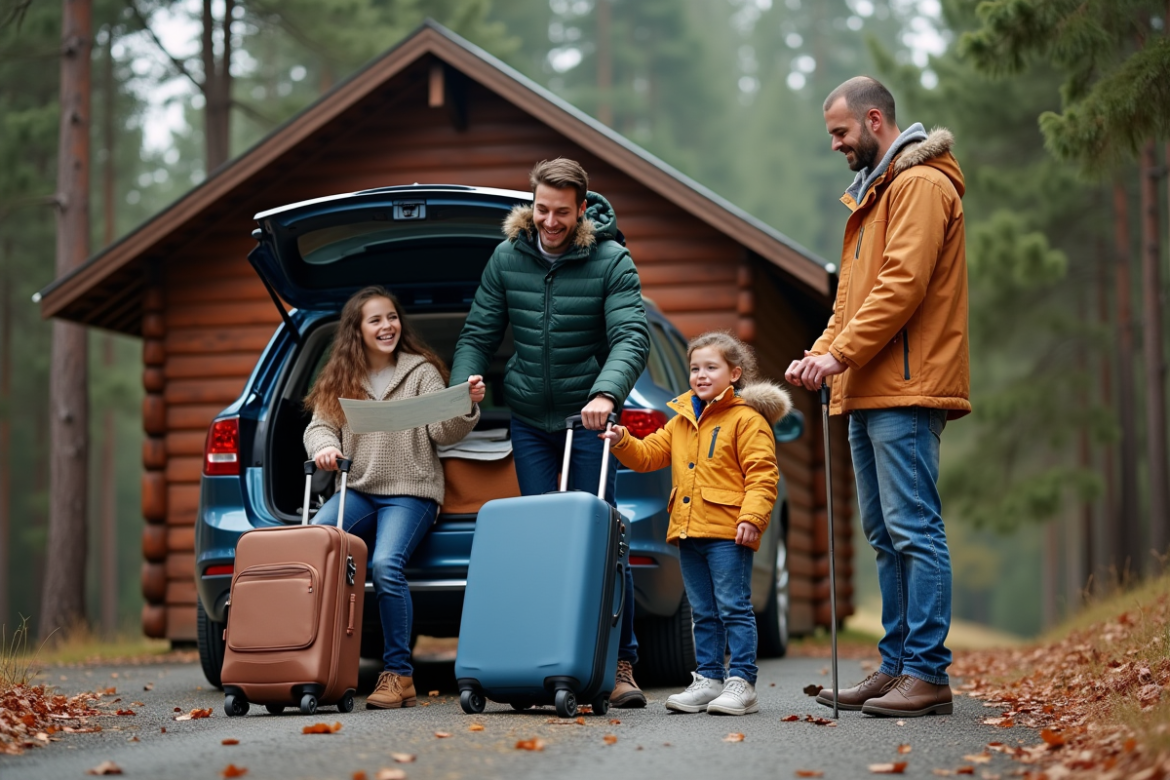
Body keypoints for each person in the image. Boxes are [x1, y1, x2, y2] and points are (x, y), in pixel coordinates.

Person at [785, 76, 969, 718]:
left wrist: (841, 353)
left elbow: (902, 285)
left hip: (906, 386)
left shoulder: (919, 185)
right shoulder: (875, 195)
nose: (835, 145)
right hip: (866, 385)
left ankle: (927, 672)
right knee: (886, 534)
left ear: (873, 119)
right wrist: (819, 352)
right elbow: (849, 301)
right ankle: (895, 669)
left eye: (840, 133)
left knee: (914, 528)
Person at [450, 158, 651, 707]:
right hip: (531, 424)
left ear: (582, 209)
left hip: (585, 422)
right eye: (542, 209)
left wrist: (606, 395)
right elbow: (478, 331)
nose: (551, 221)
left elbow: (631, 336)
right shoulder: (506, 257)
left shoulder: (611, 260)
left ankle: (621, 662)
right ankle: (541, 657)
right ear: (531, 203)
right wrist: (463, 381)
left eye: (562, 212)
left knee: (601, 539)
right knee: (539, 543)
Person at [304, 285, 486, 709]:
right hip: (359, 490)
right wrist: (324, 448)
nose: (387, 326)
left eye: (392, 317)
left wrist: (465, 406)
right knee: (315, 546)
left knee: (386, 564)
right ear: (358, 330)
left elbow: (443, 433)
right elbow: (318, 427)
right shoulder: (341, 377)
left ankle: (398, 674)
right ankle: (317, 661)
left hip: (411, 492)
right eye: (376, 320)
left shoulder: (420, 371)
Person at [602, 332, 790, 716]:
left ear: (735, 373)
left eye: (711, 367)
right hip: (689, 531)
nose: (701, 375)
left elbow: (762, 474)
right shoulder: (682, 421)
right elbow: (649, 455)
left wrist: (753, 518)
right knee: (702, 611)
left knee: (733, 606)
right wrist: (623, 439)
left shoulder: (746, 420)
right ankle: (708, 679)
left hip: (728, 532)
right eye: (695, 368)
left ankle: (741, 681)